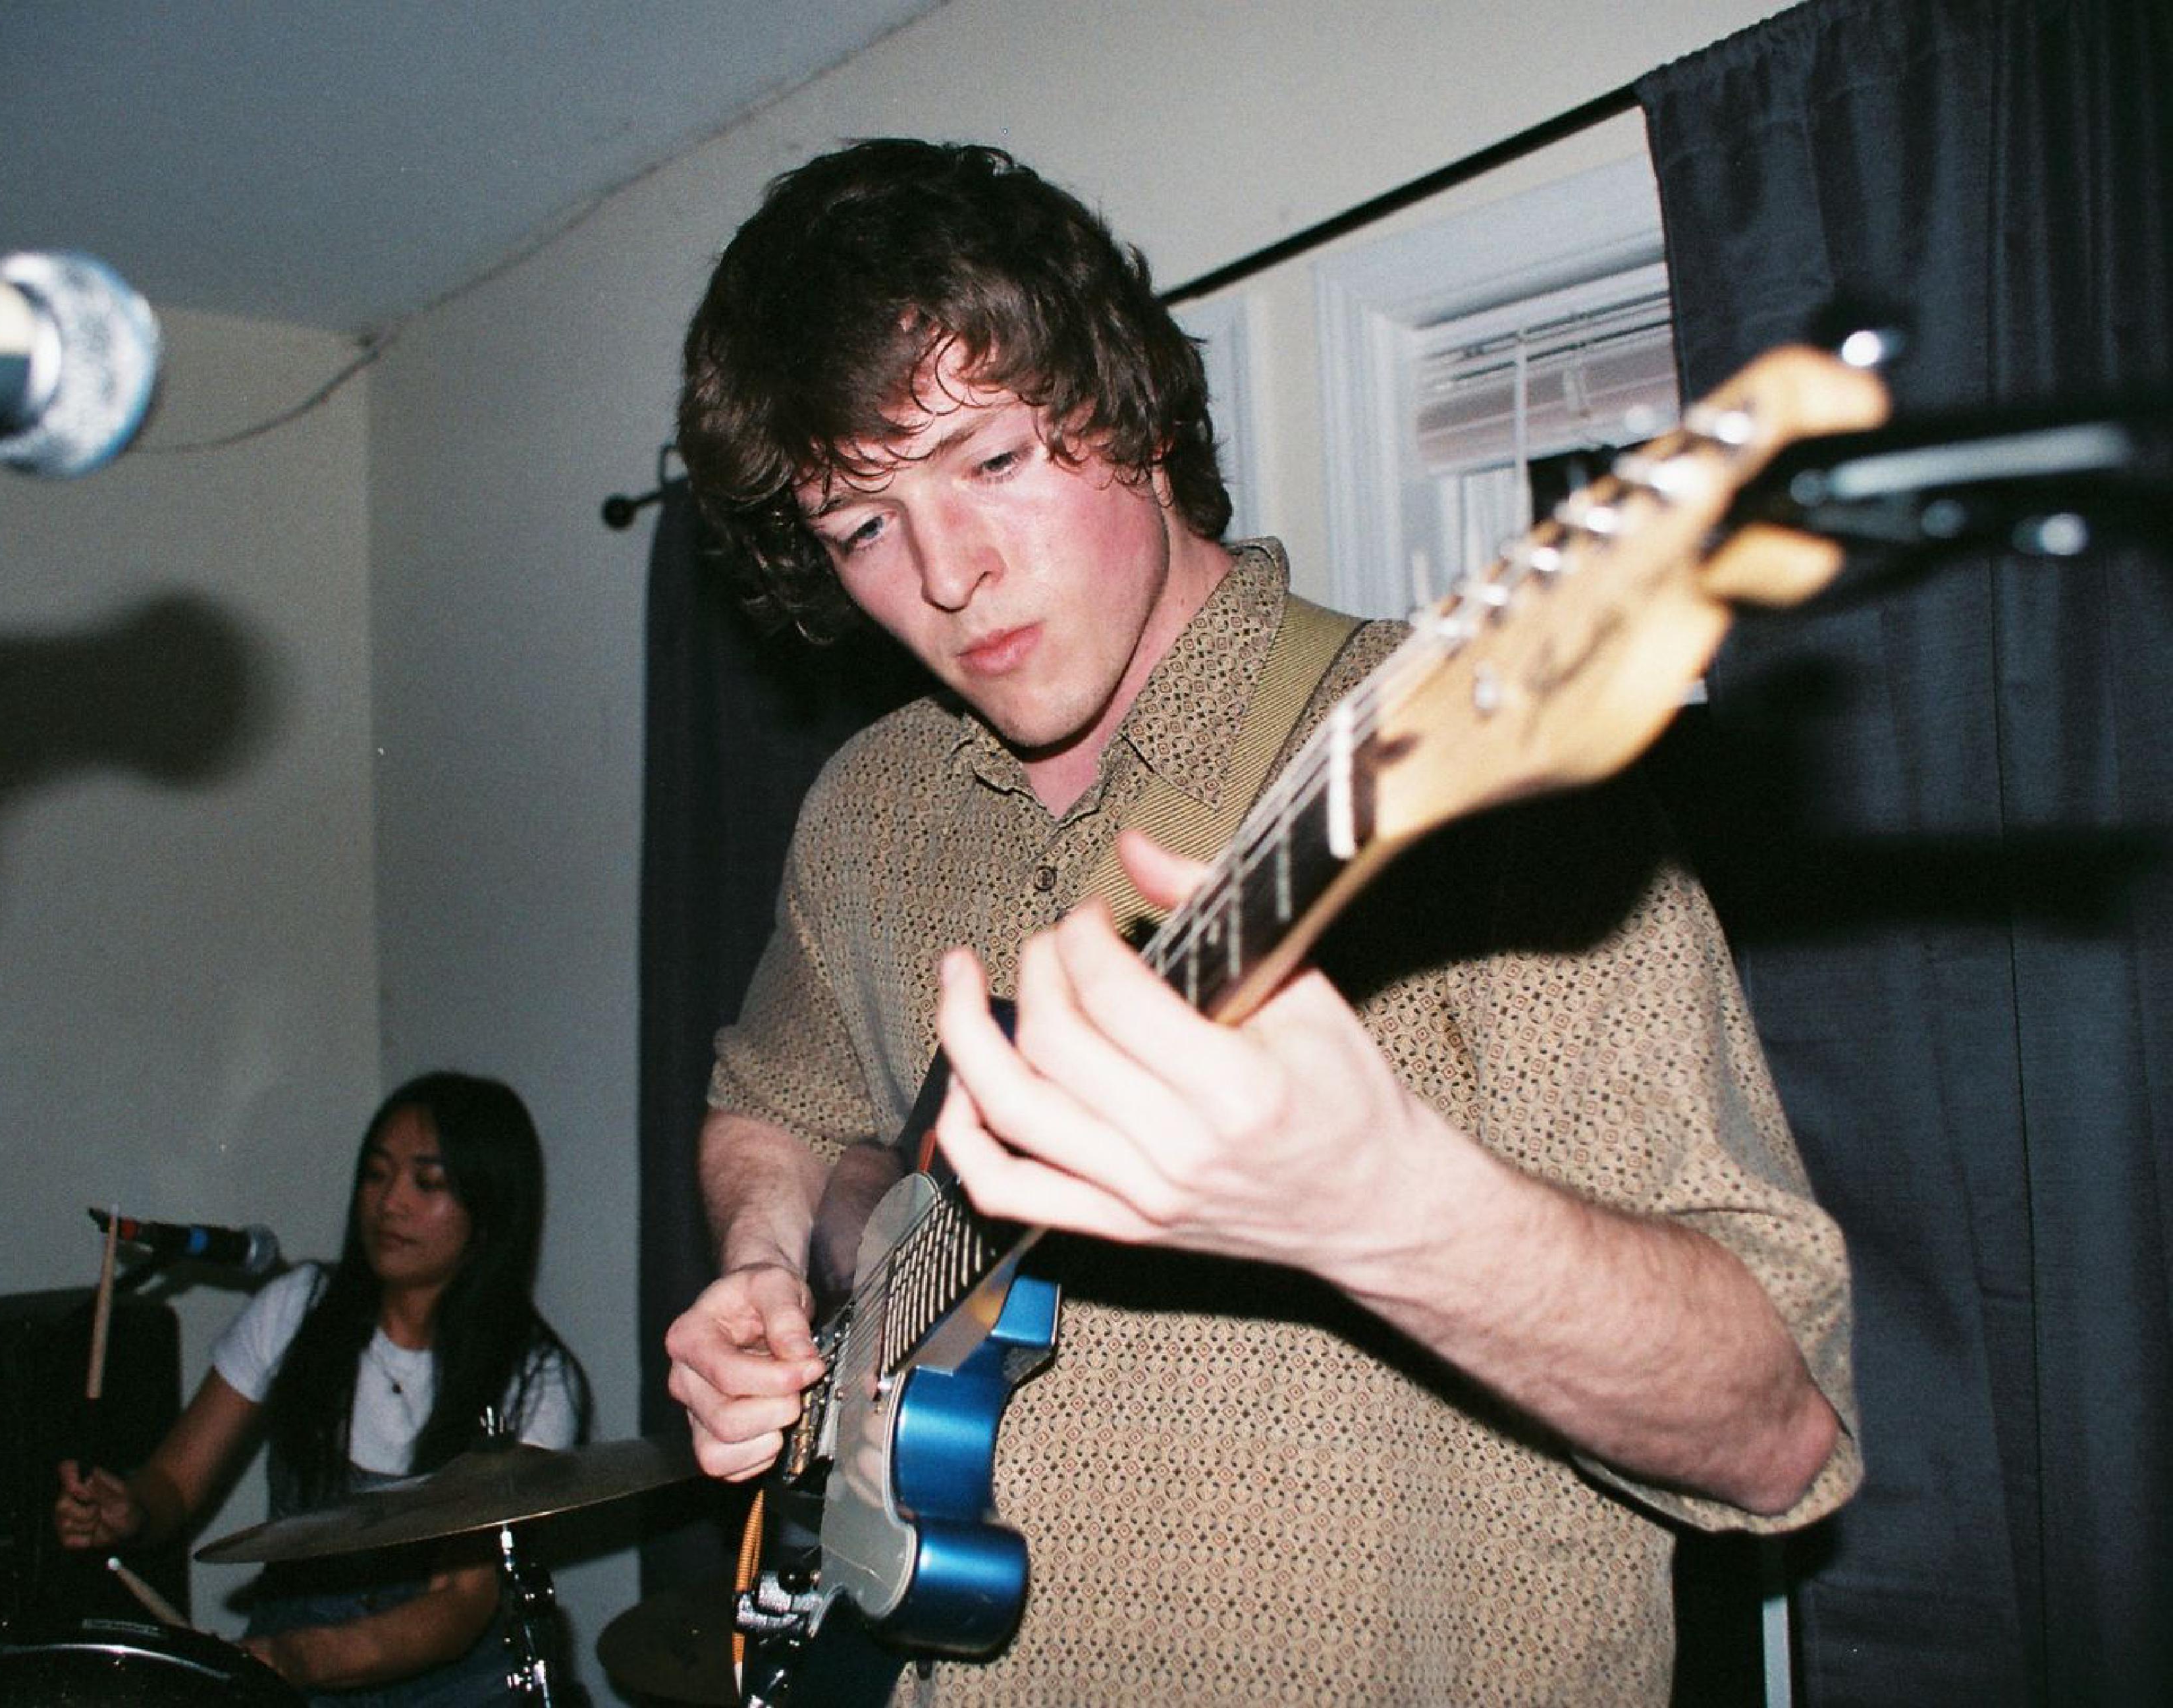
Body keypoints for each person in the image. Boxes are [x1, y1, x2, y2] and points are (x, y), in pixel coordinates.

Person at [661, 139, 1860, 1702]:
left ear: (1136, 407)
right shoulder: (866, 810)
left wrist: (1373, 1208)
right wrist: (761, 1266)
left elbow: (1776, 1434)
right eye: (861, 525)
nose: (946, 573)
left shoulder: (1477, 793)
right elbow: (774, 1098)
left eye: (992, 460)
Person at [55, 1072, 589, 1705]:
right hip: (299, 1666)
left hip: (453, 1690)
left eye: (428, 1183)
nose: (390, 1203)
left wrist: (294, 1659)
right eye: (377, 1174)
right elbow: (172, 1484)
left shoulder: (535, 1378)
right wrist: (130, 1508)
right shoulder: (297, 1308)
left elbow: (459, 1608)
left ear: (490, 1210)